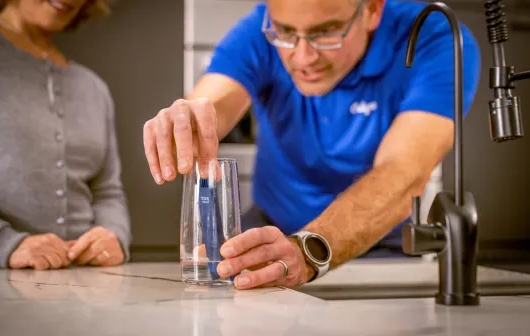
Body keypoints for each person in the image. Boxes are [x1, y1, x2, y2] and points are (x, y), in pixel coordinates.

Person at [143, 0, 481, 289]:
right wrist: (190, 117)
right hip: (265, 229)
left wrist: (309, 249)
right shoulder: (259, 29)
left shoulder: (435, 38)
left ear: (373, 9)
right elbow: (216, 100)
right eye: (286, 33)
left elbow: (406, 171)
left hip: (378, 242)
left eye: (327, 32)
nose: (303, 58)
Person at [0, 0, 132, 270]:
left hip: (83, 290)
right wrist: (2, 243)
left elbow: (107, 190)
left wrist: (114, 234)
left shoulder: (94, 88)